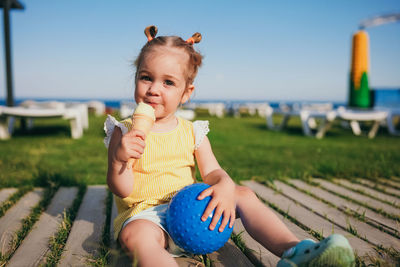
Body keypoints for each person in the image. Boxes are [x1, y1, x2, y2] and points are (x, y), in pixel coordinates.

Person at [104, 25, 355, 267]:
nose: (154, 90)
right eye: (146, 78)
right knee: (136, 236)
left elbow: (213, 172)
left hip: (194, 211)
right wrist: (120, 160)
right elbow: (122, 189)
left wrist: (224, 186)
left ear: (186, 92)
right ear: (135, 78)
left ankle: (294, 250)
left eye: (168, 82)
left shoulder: (192, 131)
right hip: (147, 216)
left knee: (244, 194)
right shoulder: (123, 131)